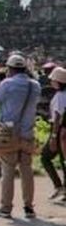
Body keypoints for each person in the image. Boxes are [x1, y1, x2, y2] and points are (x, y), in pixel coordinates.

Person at [0, 54, 40, 219]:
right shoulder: (35, 85)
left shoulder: (7, 83)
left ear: (10, 69)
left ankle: (6, 207)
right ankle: (29, 207)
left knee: (8, 171)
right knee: (27, 171)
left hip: (8, 133)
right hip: (27, 133)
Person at [46, 67, 66, 202]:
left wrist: (53, 136)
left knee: (45, 157)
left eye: (53, 79)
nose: (51, 82)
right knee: (63, 160)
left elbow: (57, 117)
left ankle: (59, 186)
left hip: (58, 129)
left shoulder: (59, 96)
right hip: (61, 129)